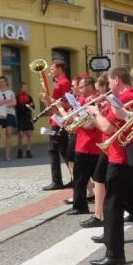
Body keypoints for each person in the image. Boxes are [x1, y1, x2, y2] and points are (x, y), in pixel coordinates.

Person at [84, 67, 133, 265]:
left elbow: (109, 128)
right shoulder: (127, 96)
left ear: (117, 80)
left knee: (112, 205)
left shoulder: (127, 97)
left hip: (121, 158)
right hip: (122, 156)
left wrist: (94, 113)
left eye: (110, 82)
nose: (109, 86)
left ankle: (115, 253)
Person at [66, 76, 103, 216]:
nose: (79, 90)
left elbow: (92, 123)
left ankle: (82, 206)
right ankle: (80, 205)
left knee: (87, 178)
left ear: (89, 87)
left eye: (81, 87)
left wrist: (75, 118)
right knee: (84, 178)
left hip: (90, 144)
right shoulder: (82, 101)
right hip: (84, 144)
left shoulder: (96, 100)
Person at [79, 74, 110, 229]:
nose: (99, 93)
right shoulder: (105, 101)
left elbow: (103, 126)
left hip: (111, 145)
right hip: (108, 145)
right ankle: (101, 216)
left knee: (100, 178)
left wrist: (96, 112)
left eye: (100, 89)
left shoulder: (110, 100)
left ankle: (100, 216)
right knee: (101, 179)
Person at [42, 60, 72, 190]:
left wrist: (49, 99)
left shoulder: (64, 83)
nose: (51, 71)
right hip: (56, 119)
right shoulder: (59, 83)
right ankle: (75, 177)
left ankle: (57, 181)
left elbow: (67, 104)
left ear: (60, 69)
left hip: (59, 121)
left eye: (53, 68)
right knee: (63, 150)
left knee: (53, 150)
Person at [0, 76, 17, 162]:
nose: (1, 83)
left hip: (10, 114)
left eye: (2, 81)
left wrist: (1, 102)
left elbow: (14, 103)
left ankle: (7, 155)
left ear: (6, 82)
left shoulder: (11, 92)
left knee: (8, 134)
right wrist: (6, 101)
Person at [15, 82, 35, 159]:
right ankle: (20, 150)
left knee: (29, 133)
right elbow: (18, 107)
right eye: (24, 87)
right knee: (20, 134)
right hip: (20, 116)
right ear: (20, 88)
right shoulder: (17, 97)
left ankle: (28, 151)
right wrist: (27, 106)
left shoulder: (29, 97)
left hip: (27, 116)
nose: (26, 88)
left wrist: (30, 106)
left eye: (26, 87)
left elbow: (33, 106)